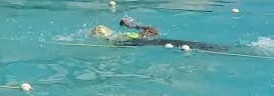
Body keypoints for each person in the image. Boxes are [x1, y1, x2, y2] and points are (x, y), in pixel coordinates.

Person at [90, 18, 227, 51]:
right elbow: (154, 30)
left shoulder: (117, 40)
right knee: (199, 46)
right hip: (160, 41)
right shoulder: (127, 34)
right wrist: (134, 25)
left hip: (156, 44)